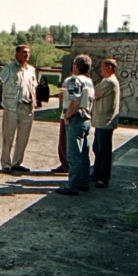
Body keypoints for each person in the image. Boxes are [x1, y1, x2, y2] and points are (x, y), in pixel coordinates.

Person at [0, 45, 38, 174]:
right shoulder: (9, 68)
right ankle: (6, 164)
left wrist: (35, 103)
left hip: (27, 107)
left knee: (23, 138)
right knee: (8, 137)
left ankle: (17, 163)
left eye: (28, 53)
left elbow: (33, 87)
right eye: (24, 52)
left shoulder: (31, 70)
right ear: (17, 54)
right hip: (12, 107)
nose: (26, 55)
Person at [55, 54, 95, 196]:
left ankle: (73, 185)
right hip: (87, 119)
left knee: (73, 155)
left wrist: (67, 115)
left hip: (76, 119)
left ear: (76, 66)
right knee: (84, 154)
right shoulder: (89, 81)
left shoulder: (75, 80)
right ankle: (84, 182)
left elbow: (75, 100)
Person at [90, 58, 120, 188]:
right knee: (97, 148)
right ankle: (96, 174)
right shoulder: (107, 81)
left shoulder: (109, 82)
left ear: (109, 67)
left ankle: (103, 177)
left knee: (104, 151)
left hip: (105, 122)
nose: (100, 69)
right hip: (101, 121)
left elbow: (94, 93)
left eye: (102, 67)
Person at [51, 79, 70, 174]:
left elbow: (61, 97)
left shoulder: (69, 81)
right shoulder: (88, 81)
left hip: (67, 114)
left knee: (63, 141)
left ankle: (65, 164)